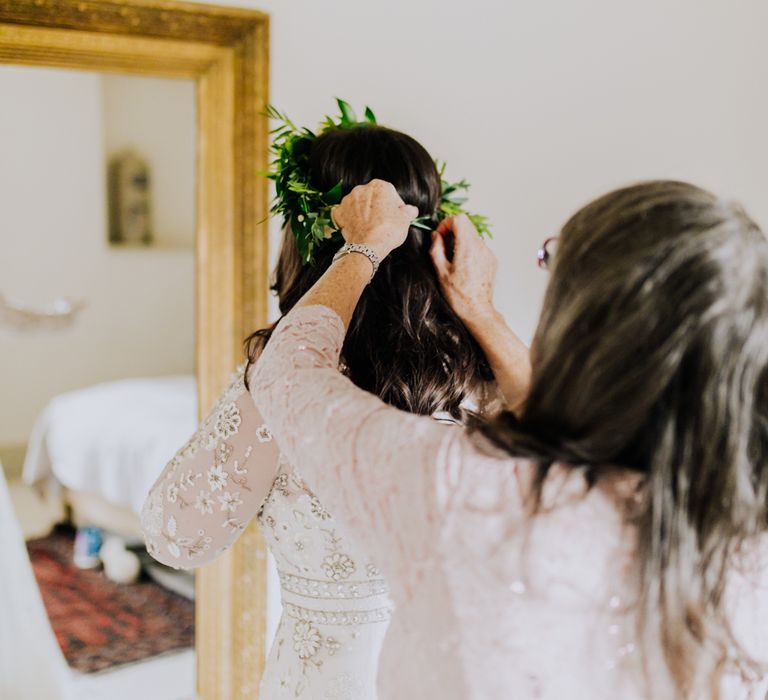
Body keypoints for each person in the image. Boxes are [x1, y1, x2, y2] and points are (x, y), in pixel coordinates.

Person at [249, 179, 768, 699]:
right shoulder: (747, 535)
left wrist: (362, 248)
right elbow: (574, 420)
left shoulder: (465, 491)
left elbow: (285, 375)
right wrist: (480, 311)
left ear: (584, 322)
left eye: (553, 262)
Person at [141, 105, 529, 699]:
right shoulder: (484, 376)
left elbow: (178, 535)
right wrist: (482, 310)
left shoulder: (286, 377)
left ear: (308, 234)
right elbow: (577, 460)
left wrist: (360, 252)